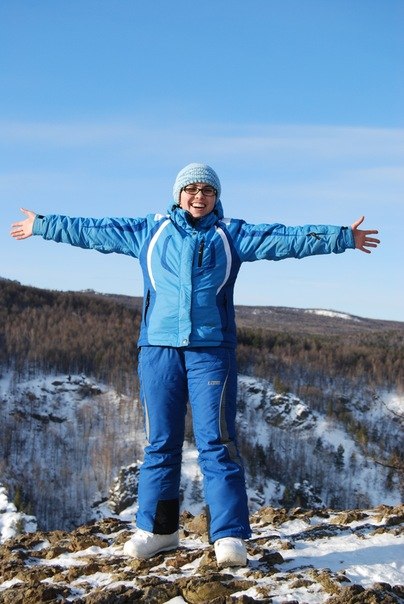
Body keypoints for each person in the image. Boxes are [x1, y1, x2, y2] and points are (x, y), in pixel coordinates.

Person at [10, 163, 380, 566]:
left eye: (207, 190)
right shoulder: (150, 231)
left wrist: (342, 236)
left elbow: (285, 238)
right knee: (160, 443)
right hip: (158, 349)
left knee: (217, 442)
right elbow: (93, 230)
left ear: (216, 197)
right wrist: (43, 225)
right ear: (178, 194)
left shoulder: (230, 234)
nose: (199, 197)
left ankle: (228, 535)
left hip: (212, 351)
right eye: (191, 189)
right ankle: (160, 531)